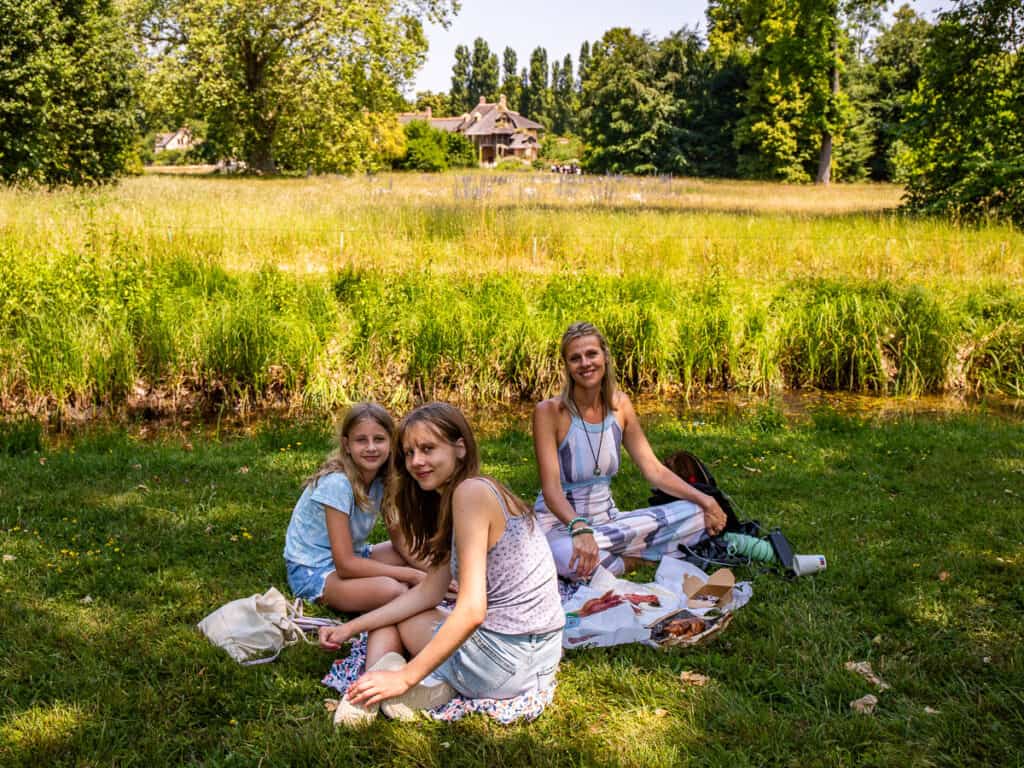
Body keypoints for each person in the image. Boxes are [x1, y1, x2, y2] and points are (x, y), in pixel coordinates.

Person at [318, 402, 564, 723]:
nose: (416, 461)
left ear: (460, 447)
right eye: (408, 453)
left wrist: (404, 676)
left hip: (504, 663)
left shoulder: (470, 494)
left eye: (428, 448)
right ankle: (426, 684)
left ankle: (373, 689)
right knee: (406, 606)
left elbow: (472, 610)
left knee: (403, 619)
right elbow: (429, 592)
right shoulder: (470, 493)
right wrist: (351, 627)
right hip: (539, 660)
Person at [533, 322, 728, 581]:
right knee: (569, 558)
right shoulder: (549, 412)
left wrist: (706, 501)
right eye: (575, 358)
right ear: (567, 366)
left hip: (610, 521)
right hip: (561, 525)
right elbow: (551, 491)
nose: (585, 363)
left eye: (591, 354)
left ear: (605, 356)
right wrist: (579, 528)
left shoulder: (620, 405)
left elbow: (654, 469)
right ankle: (642, 556)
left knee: (696, 514)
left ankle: (614, 558)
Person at [283, 403, 425, 612]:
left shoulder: (384, 480)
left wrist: (433, 575)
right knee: (392, 590)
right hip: (314, 569)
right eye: (361, 440)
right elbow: (346, 565)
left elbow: (401, 542)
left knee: (423, 548)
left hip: (354, 555)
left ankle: (439, 586)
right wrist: (413, 574)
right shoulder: (338, 484)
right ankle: (405, 591)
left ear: (391, 442)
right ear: (347, 445)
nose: (371, 448)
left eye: (379, 439)